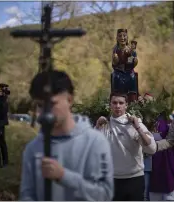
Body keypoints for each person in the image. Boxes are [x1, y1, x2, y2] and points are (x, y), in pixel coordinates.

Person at [19, 70, 114, 201]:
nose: (45, 112)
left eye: (52, 104)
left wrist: (64, 176)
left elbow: (104, 195)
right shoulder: (33, 149)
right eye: (40, 105)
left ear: (69, 99)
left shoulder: (95, 142)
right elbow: (27, 195)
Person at [95, 92, 157, 201]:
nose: (117, 106)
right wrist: (96, 127)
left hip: (134, 179)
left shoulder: (135, 124)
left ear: (126, 105)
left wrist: (138, 128)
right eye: (114, 103)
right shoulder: (104, 125)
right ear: (110, 105)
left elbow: (152, 149)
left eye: (121, 103)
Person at [149, 113, 174, 201]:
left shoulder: (168, 121)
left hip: (165, 154)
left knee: (168, 180)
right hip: (152, 155)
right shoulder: (145, 121)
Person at [111, 29, 138, 102]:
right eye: (120, 36)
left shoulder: (131, 49)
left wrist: (134, 61)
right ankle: (118, 100)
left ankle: (132, 101)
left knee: (132, 77)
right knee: (116, 77)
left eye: (124, 36)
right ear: (117, 38)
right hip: (119, 71)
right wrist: (115, 59)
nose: (122, 38)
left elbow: (133, 62)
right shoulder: (115, 49)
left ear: (127, 37)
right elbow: (114, 64)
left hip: (129, 71)